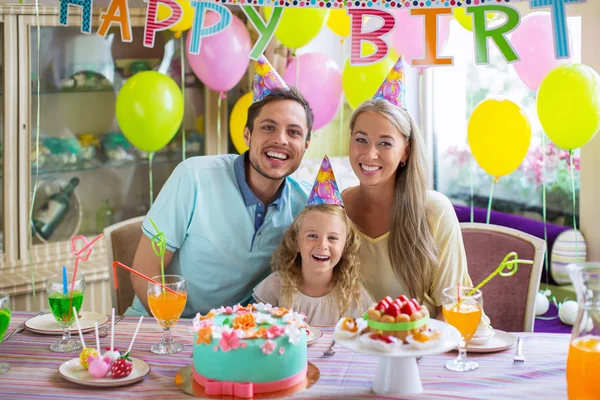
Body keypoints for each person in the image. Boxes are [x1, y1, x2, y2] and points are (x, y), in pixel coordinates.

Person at [125, 55, 313, 318]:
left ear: (306, 145)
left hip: (234, 340)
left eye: (294, 132)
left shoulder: (306, 204)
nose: (280, 140)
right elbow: (144, 273)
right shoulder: (193, 178)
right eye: (268, 127)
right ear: (247, 135)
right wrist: (183, 336)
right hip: (161, 327)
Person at [341, 55, 487, 320]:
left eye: (385, 143)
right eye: (361, 139)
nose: (370, 154)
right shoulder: (337, 209)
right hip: (356, 351)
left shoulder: (434, 211)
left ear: (405, 152)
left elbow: (453, 308)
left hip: (426, 347)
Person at [253, 156, 374, 325]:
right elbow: (258, 330)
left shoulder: (353, 295)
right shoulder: (276, 286)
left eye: (332, 238)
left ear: (345, 246)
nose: (322, 245)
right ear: (295, 241)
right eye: (312, 235)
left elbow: (364, 338)